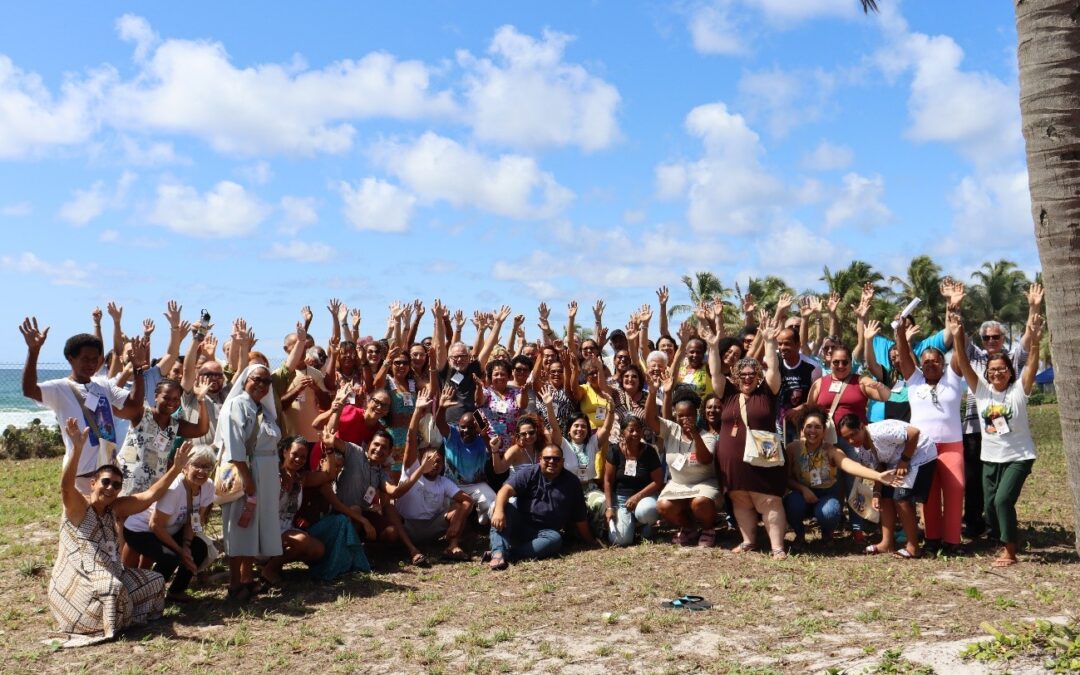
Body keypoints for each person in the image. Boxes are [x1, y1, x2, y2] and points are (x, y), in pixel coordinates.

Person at [48, 418, 192, 642]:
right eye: (105, 482)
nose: (110, 488)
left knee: (154, 581)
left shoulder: (115, 508)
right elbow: (66, 486)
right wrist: (76, 449)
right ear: (93, 483)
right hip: (77, 578)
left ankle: (126, 618)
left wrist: (176, 468)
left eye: (116, 485)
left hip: (111, 572)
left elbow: (150, 495)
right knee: (112, 588)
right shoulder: (79, 507)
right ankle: (101, 628)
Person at [950, 311, 1044, 567]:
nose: (996, 373)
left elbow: (1032, 366)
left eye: (1002, 369)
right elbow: (966, 365)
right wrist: (958, 335)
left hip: (1018, 456)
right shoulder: (981, 391)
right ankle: (1006, 535)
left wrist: (1035, 339)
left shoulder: (1018, 391)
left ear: (1009, 371)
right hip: (990, 458)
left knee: (1003, 501)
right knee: (990, 509)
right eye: (992, 370)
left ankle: (1009, 551)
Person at [21, 320, 144, 492]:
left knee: (108, 519)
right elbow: (29, 390)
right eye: (85, 359)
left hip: (107, 475)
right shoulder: (60, 388)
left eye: (95, 360)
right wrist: (33, 351)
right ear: (70, 358)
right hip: (80, 477)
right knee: (78, 520)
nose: (91, 364)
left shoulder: (104, 386)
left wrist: (138, 370)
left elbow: (134, 408)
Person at [711, 318, 788, 558]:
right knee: (740, 498)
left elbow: (773, 369)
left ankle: (777, 547)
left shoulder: (767, 392)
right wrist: (713, 346)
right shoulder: (728, 393)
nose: (747, 378)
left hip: (763, 459)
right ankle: (749, 541)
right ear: (735, 376)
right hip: (732, 463)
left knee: (769, 500)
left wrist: (768, 341)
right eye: (742, 374)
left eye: (752, 373)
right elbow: (715, 371)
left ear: (758, 376)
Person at [895, 315, 967, 555]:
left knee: (955, 492)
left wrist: (957, 331)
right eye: (926, 362)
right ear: (921, 365)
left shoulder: (953, 378)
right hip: (924, 449)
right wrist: (900, 333)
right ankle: (933, 538)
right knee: (929, 496)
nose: (930, 365)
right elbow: (904, 356)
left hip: (951, 447)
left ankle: (952, 541)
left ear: (942, 363)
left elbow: (960, 354)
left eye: (935, 361)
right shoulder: (914, 381)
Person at [784, 410, 902, 549]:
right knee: (791, 504)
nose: (813, 430)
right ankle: (800, 535)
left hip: (826, 495)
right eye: (809, 426)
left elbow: (850, 465)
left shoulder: (832, 451)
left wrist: (877, 476)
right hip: (802, 494)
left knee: (830, 512)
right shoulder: (793, 449)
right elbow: (786, 478)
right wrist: (803, 489)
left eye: (817, 427)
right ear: (802, 429)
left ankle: (827, 536)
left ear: (824, 431)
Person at [216, 364, 284, 602]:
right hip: (246, 472)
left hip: (265, 473)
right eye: (257, 379)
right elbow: (236, 448)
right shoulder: (236, 405)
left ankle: (247, 578)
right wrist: (248, 480)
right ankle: (234, 583)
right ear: (246, 380)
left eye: (266, 381)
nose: (262, 385)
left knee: (254, 527)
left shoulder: (263, 408)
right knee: (239, 526)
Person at [326, 425, 439, 567]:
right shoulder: (355, 452)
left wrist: (421, 470)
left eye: (384, 447)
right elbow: (331, 440)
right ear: (369, 445)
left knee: (391, 532)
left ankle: (368, 551)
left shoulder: (381, 473)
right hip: (341, 512)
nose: (379, 449)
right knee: (356, 509)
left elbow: (395, 492)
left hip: (361, 516)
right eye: (376, 444)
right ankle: (349, 558)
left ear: (389, 452)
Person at [122, 444, 215, 602]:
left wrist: (186, 545)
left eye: (207, 467)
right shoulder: (175, 489)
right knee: (170, 557)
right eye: (197, 465)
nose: (202, 471)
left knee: (199, 548)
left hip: (169, 528)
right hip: (141, 530)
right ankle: (147, 594)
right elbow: (155, 524)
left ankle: (176, 591)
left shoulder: (208, 486)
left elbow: (194, 521)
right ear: (185, 467)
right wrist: (180, 551)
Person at [838, 415, 938, 559]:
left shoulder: (880, 431)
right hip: (895, 463)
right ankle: (886, 543)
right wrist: (877, 492)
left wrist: (904, 461)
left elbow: (914, 433)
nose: (852, 441)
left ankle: (913, 547)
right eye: (847, 438)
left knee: (901, 497)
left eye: (853, 435)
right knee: (885, 495)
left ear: (861, 426)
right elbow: (879, 468)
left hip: (920, 454)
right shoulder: (860, 451)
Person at [487, 444, 600, 570]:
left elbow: (580, 516)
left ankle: (509, 554)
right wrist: (498, 511)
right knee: (503, 507)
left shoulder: (572, 482)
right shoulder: (529, 473)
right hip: (520, 525)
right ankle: (497, 553)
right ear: (540, 459)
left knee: (556, 539)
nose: (552, 461)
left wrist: (590, 541)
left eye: (556, 459)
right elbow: (505, 490)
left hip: (545, 534)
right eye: (547, 458)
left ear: (562, 461)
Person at [647, 376, 721, 549]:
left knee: (699, 503)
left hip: (704, 484)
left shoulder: (707, 436)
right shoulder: (671, 430)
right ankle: (689, 528)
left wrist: (694, 433)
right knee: (663, 506)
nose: (684, 419)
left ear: (697, 414)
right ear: (675, 414)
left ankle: (709, 529)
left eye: (689, 415)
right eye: (680, 415)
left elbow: (705, 459)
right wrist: (652, 393)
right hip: (678, 484)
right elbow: (650, 419)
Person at [295, 439, 373, 581]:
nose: (335, 470)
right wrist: (364, 521)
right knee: (341, 521)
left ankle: (346, 562)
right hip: (305, 531)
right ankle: (339, 565)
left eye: (339, 467)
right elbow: (338, 505)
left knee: (349, 515)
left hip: (317, 529)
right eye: (334, 465)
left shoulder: (330, 483)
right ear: (321, 462)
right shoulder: (317, 479)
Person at [117, 377, 210, 496]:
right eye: (166, 397)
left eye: (176, 399)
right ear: (156, 396)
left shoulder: (175, 425)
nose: (171, 402)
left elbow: (202, 429)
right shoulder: (141, 413)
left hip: (153, 490)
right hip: (126, 485)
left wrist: (201, 399)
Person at [261, 438, 326, 586]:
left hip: (287, 529)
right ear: (284, 452)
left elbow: (327, 475)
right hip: (267, 531)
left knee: (318, 550)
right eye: (294, 454)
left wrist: (328, 448)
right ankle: (269, 569)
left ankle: (275, 562)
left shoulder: (301, 478)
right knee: (302, 540)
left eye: (303, 457)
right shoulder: (272, 475)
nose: (298, 459)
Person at [396, 445, 475, 561]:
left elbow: (468, 500)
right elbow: (410, 442)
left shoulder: (444, 482)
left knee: (458, 507)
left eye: (438, 461)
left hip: (432, 526)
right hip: (407, 527)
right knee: (391, 512)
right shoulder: (411, 474)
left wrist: (456, 522)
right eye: (429, 460)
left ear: (442, 466)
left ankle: (453, 546)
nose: (434, 464)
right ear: (421, 462)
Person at [434, 385, 499, 525]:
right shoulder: (453, 434)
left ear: (476, 428)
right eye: (462, 426)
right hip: (450, 485)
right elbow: (439, 423)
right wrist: (442, 407)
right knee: (445, 510)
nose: (465, 430)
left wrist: (484, 435)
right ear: (458, 425)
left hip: (476, 485)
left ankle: (482, 522)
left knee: (493, 502)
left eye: (470, 427)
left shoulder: (482, 439)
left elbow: (492, 451)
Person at [603, 416, 663, 546]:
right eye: (631, 430)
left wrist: (638, 496)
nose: (636, 433)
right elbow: (608, 481)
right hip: (621, 499)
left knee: (647, 511)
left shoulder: (649, 451)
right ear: (622, 432)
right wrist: (610, 507)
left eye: (638, 430)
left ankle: (644, 527)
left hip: (644, 497)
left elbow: (658, 481)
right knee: (619, 541)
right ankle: (633, 525)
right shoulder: (614, 451)